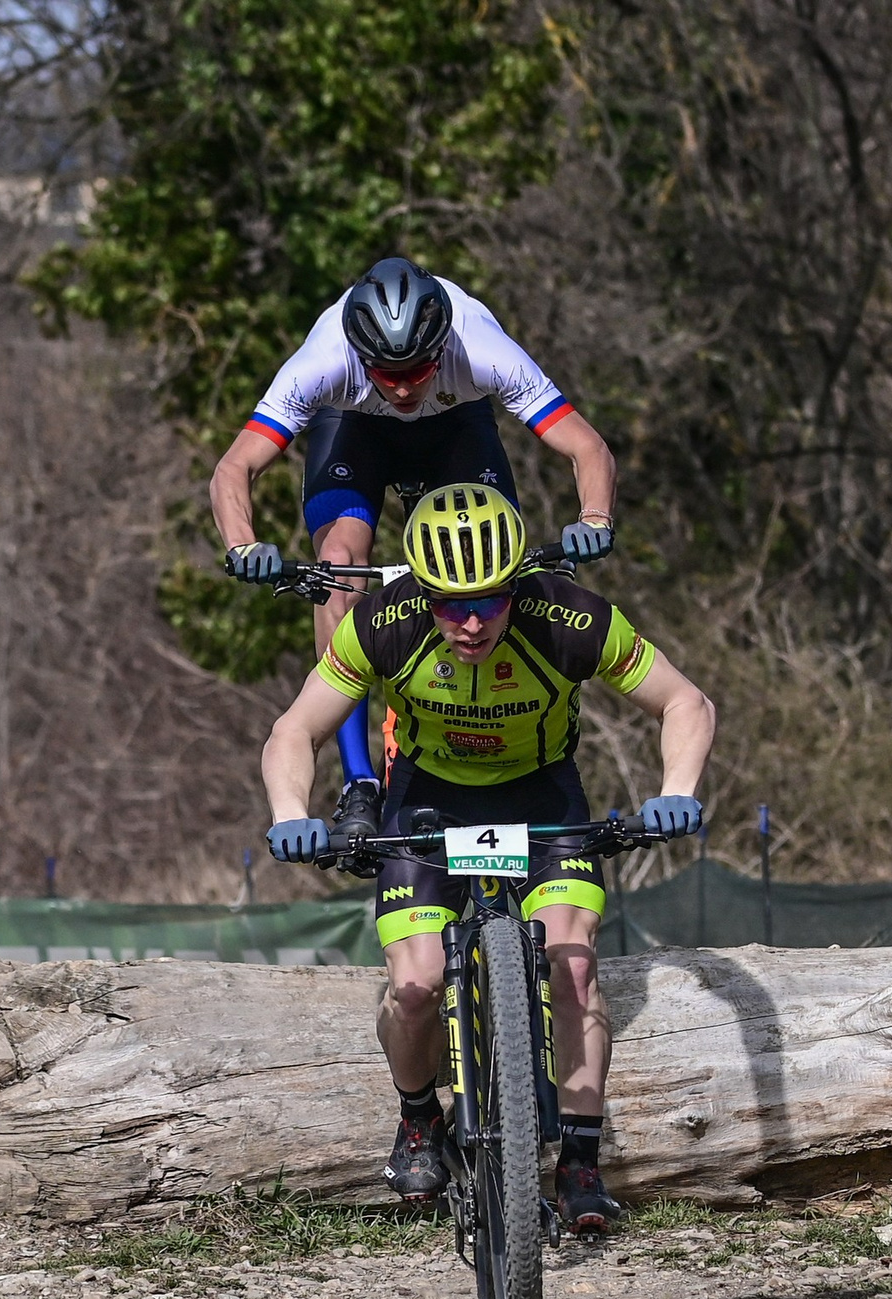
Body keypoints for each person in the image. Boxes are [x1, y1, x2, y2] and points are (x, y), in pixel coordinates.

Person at [258, 483, 714, 1233]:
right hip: (427, 798)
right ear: (422, 593)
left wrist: (678, 790)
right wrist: (290, 813)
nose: (470, 622)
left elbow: (685, 703)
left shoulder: (570, 617)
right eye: (448, 603)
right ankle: (417, 1120)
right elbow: (293, 730)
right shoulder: (385, 623)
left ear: (516, 588)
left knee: (572, 966)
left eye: (491, 601)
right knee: (414, 985)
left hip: (542, 798)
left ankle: (580, 1162)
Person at [212, 256, 621, 846]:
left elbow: (588, 448)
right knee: (341, 572)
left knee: (489, 564)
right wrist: (242, 543)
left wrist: (594, 518)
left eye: (418, 369)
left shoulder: (481, 349)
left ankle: (507, 750)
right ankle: (359, 782)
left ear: (443, 348)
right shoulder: (324, 363)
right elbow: (234, 467)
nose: (403, 386)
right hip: (353, 429)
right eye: (386, 371)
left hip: (456, 426)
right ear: (359, 355)